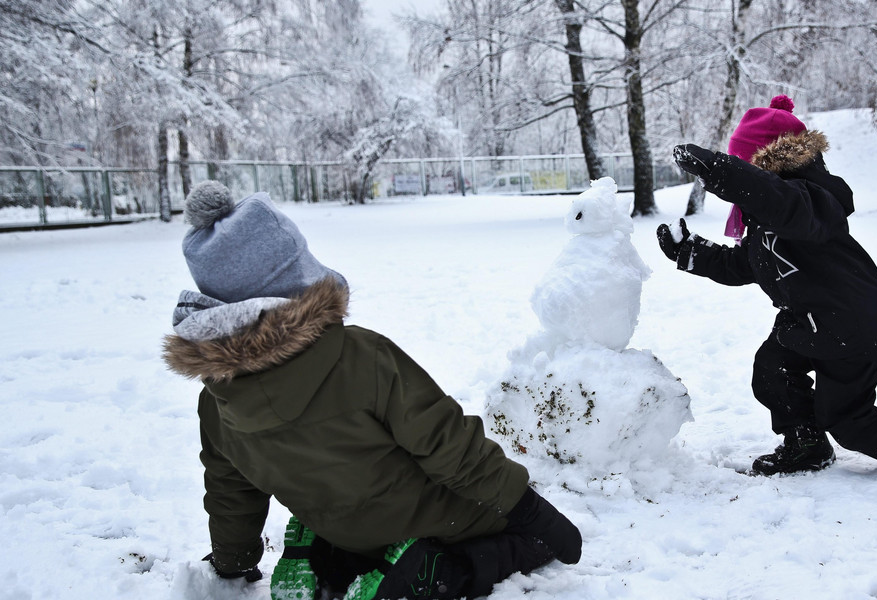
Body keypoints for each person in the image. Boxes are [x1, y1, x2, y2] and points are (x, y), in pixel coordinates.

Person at [162, 181, 581, 600]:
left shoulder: (217, 398)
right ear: (294, 277)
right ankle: (433, 573)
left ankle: (330, 560)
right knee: (529, 540)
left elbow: (230, 488)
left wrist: (233, 561)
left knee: (355, 523)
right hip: (427, 518)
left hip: (340, 527)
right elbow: (450, 447)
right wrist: (532, 511)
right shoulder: (359, 356)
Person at [656, 95, 877, 475]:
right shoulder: (765, 223)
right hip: (808, 323)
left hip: (851, 329)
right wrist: (690, 253)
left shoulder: (812, 201)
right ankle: (806, 445)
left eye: (746, 167)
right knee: (771, 370)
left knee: (848, 421)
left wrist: (720, 170)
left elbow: (782, 202)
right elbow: (744, 264)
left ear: (764, 166)